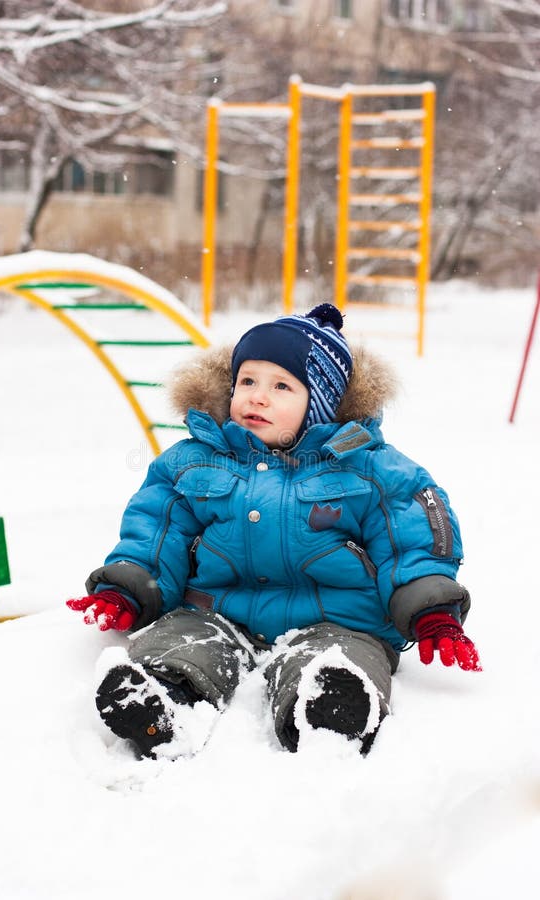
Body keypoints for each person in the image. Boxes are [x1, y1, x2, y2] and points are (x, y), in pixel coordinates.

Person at [67, 304, 480, 759]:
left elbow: (411, 542)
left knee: (339, 659)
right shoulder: (196, 459)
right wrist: (127, 588)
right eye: (247, 381)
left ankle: (329, 709)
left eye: (281, 386)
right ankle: (162, 699)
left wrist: (431, 609)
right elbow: (156, 531)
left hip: (339, 621)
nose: (257, 397)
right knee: (182, 642)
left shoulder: (371, 468)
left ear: (320, 403)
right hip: (218, 611)